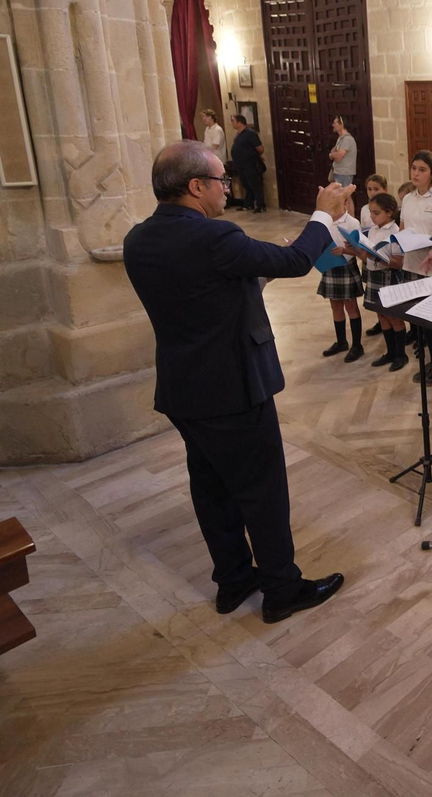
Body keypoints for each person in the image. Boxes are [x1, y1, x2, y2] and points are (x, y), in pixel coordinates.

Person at [122, 141, 344, 622]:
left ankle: (234, 579)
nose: (230, 187)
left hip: (184, 391)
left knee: (211, 488)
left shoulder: (138, 240)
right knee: (262, 491)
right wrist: (322, 216)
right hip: (233, 389)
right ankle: (283, 589)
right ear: (195, 186)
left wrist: (251, 271)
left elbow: (203, 295)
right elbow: (296, 262)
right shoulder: (214, 238)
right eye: (222, 180)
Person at [401, 151, 432, 379]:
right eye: (414, 168)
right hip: (412, 262)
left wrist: (431, 244)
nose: (416, 173)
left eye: (422, 170)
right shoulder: (408, 198)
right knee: (423, 317)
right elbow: (403, 227)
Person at [355, 192, 410, 370]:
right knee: (381, 315)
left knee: (393, 317)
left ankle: (401, 355)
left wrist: (378, 257)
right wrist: (356, 249)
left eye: (376, 213)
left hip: (389, 277)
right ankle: (390, 352)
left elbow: (398, 263)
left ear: (389, 212)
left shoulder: (395, 232)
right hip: (374, 276)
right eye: (371, 212)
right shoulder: (373, 230)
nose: (372, 216)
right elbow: (366, 258)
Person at [315, 184, 366, 362]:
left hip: (346, 268)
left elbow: (360, 252)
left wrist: (344, 250)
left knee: (350, 307)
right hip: (329, 267)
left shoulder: (352, 223)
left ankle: (357, 345)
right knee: (335, 306)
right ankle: (341, 341)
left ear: (344, 203)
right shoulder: (325, 221)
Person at [228, 114, 266, 212]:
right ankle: (248, 203)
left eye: (233, 121)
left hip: (250, 164)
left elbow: (260, 148)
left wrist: (253, 156)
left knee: (255, 185)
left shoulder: (250, 133)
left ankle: (261, 205)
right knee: (246, 185)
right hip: (241, 165)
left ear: (239, 122)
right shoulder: (239, 134)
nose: (231, 123)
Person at [327, 116, 357, 187]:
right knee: (346, 197)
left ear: (341, 125)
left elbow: (338, 157)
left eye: (335, 123)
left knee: (342, 196)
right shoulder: (340, 139)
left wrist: (332, 155)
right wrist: (333, 154)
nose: (333, 125)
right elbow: (333, 151)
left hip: (344, 173)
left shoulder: (347, 139)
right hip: (339, 172)